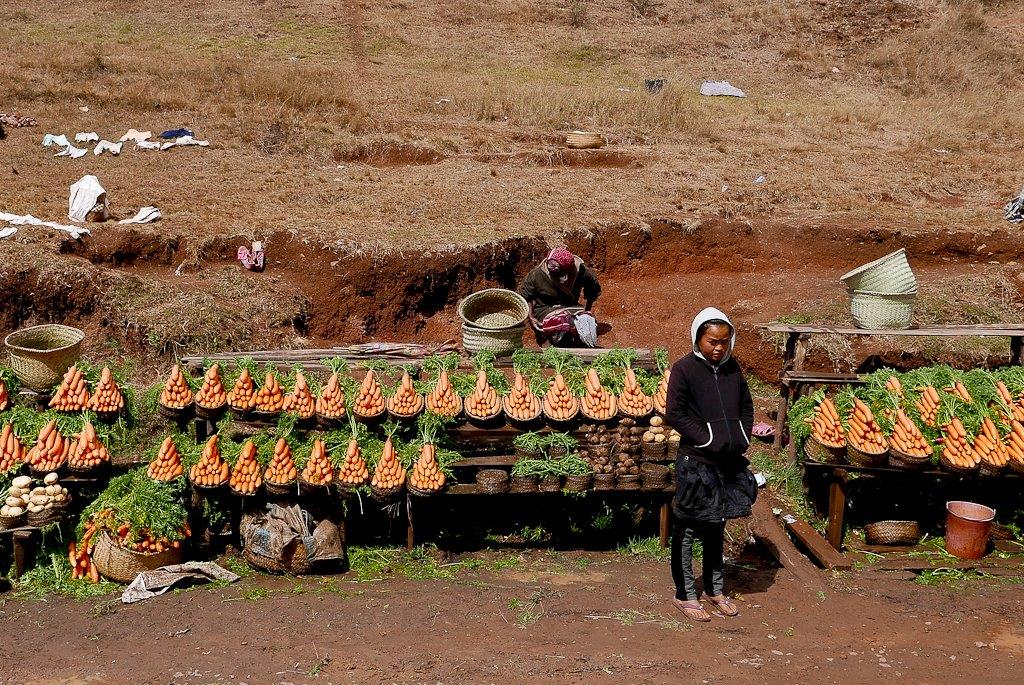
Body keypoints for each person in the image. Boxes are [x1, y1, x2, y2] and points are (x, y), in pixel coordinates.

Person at [664, 307, 757, 622]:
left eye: (724, 341)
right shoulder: (685, 369)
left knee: (717, 523)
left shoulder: (733, 370)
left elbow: (746, 405)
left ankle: (714, 590)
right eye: (712, 341)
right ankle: (684, 594)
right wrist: (706, 439)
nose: (718, 348)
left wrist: (741, 435)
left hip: (726, 463)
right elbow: (675, 412)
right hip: (697, 462)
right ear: (697, 338)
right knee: (688, 527)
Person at [519, 246, 602, 347]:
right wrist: (531, 317)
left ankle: (581, 340)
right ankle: (557, 342)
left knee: (586, 320)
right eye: (551, 266)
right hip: (546, 309)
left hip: (571, 306)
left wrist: (587, 310)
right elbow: (526, 296)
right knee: (559, 322)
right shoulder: (537, 275)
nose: (552, 268)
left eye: (556, 268)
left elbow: (593, 287)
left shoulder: (580, 270)